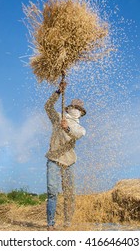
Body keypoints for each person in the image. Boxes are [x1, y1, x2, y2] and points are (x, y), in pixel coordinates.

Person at [45, 81, 86, 230]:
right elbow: (48, 106)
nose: (77, 110)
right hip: (54, 159)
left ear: (81, 113)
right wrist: (58, 92)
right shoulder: (58, 117)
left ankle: (68, 223)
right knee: (52, 192)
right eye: (75, 107)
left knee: (69, 193)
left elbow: (76, 135)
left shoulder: (80, 128)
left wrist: (67, 128)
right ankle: (50, 224)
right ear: (70, 108)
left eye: (80, 109)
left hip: (69, 162)